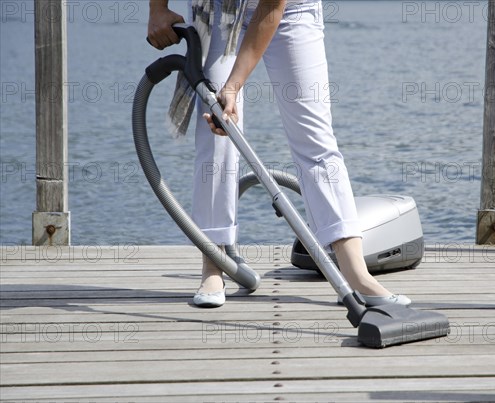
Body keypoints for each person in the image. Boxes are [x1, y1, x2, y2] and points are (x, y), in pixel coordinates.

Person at [147, 0, 411, 308]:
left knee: (314, 138)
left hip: (292, 11)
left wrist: (232, 86)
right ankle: (213, 262)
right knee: (214, 132)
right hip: (220, 9)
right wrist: (158, 9)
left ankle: (355, 272)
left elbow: (271, 8)